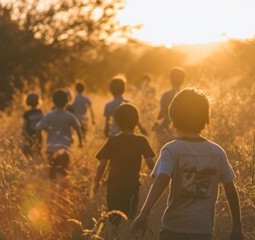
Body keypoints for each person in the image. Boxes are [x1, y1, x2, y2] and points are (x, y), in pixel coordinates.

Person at [131, 88, 243, 240]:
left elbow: (162, 179)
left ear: (173, 120)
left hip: (173, 229)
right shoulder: (217, 152)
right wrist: (236, 226)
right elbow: (230, 189)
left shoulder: (172, 149)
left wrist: (144, 214)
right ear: (205, 119)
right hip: (202, 231)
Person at [94, 103, 155, 239]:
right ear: (136, 121)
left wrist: (96, 182)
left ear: (117, 122)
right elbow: (150, 162)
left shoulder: (113, 141)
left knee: (113, 221)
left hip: (114, 186)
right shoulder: (141, 141)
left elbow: (102, 164)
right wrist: (156, 175)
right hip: (132, 186)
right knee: (131, 219)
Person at [37, 89, 83, 192]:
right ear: (67, 101)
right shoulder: (70, 116)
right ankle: (62, 194)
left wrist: (39, 141)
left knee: (52, 173)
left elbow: (38, 128)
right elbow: (78, 130)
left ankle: (53, 194)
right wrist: (80, 142)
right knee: (63, 172)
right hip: (64, 149)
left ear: (53, 101)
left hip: (51, 149)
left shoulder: (49, 115)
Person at [154, 67, 185, 131]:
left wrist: (156, 123)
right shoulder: (186, 95)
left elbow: (161, 113)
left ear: (170, 79)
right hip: (182, 128)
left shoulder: (166, 95)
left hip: (166, 127)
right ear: (182, 80)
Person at [22, 93, 43, 157]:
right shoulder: (40, 112)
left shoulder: (27, 113)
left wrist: (26, 136)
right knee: (38, 152)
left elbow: (24, 127)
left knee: (28, 154)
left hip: (29, 136)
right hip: (39, 136)